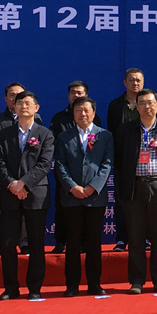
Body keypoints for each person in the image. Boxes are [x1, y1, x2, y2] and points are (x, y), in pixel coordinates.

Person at [0, 90, 54, 300]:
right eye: (19, 103)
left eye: (28, 103)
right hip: (10, 194)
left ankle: (34, 288)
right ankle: (10, 288)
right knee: (7, 243)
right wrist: (12, 184)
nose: (23, 106)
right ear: (14, 107)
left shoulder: (45, 134)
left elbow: (44, 164)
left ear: (37, 108)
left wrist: (24, 183)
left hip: (36, 194)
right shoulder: (4, 133)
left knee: (36, 243)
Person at [114, 89, 157, 293]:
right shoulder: (126, 130)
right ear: (136, 107)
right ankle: (137, 281)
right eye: (142, 103)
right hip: (134, 188)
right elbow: (119, 161)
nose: (147, 107)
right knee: (135, 237)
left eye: (150, 103)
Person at [54, 96, 113, 295]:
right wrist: (73, 187)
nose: (83, 114)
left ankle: (94, 284)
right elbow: (60, 165)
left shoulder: (104, 136)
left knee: (94, 242)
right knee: (72, 242)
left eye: (87, 110)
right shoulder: (64, 137)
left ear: (94, 113)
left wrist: (93, 187)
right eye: (79, 110)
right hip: (72, 197)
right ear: (73, 114)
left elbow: (107, 164)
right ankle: (72, 285)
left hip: (95, 198)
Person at [48, 81, 100, 255]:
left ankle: (85, 243)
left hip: (89, 174)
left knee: (87, 211)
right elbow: (53, 143)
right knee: (62, 207)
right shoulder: (59, 118)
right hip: (66, 173)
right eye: (73, 92)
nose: (76, 95)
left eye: (80, 92)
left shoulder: (94, 118)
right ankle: (61, 241)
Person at [107, 68, 146, 251]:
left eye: (138, 80)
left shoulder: (149, 103)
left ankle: (144, 238)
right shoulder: (115, 105)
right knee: (122, 201)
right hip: (123, 160)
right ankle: (122, 238)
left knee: (144, 202)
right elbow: (112, 133)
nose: (135, 83)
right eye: (131, 80)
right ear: (125, 82)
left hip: (145, 161)